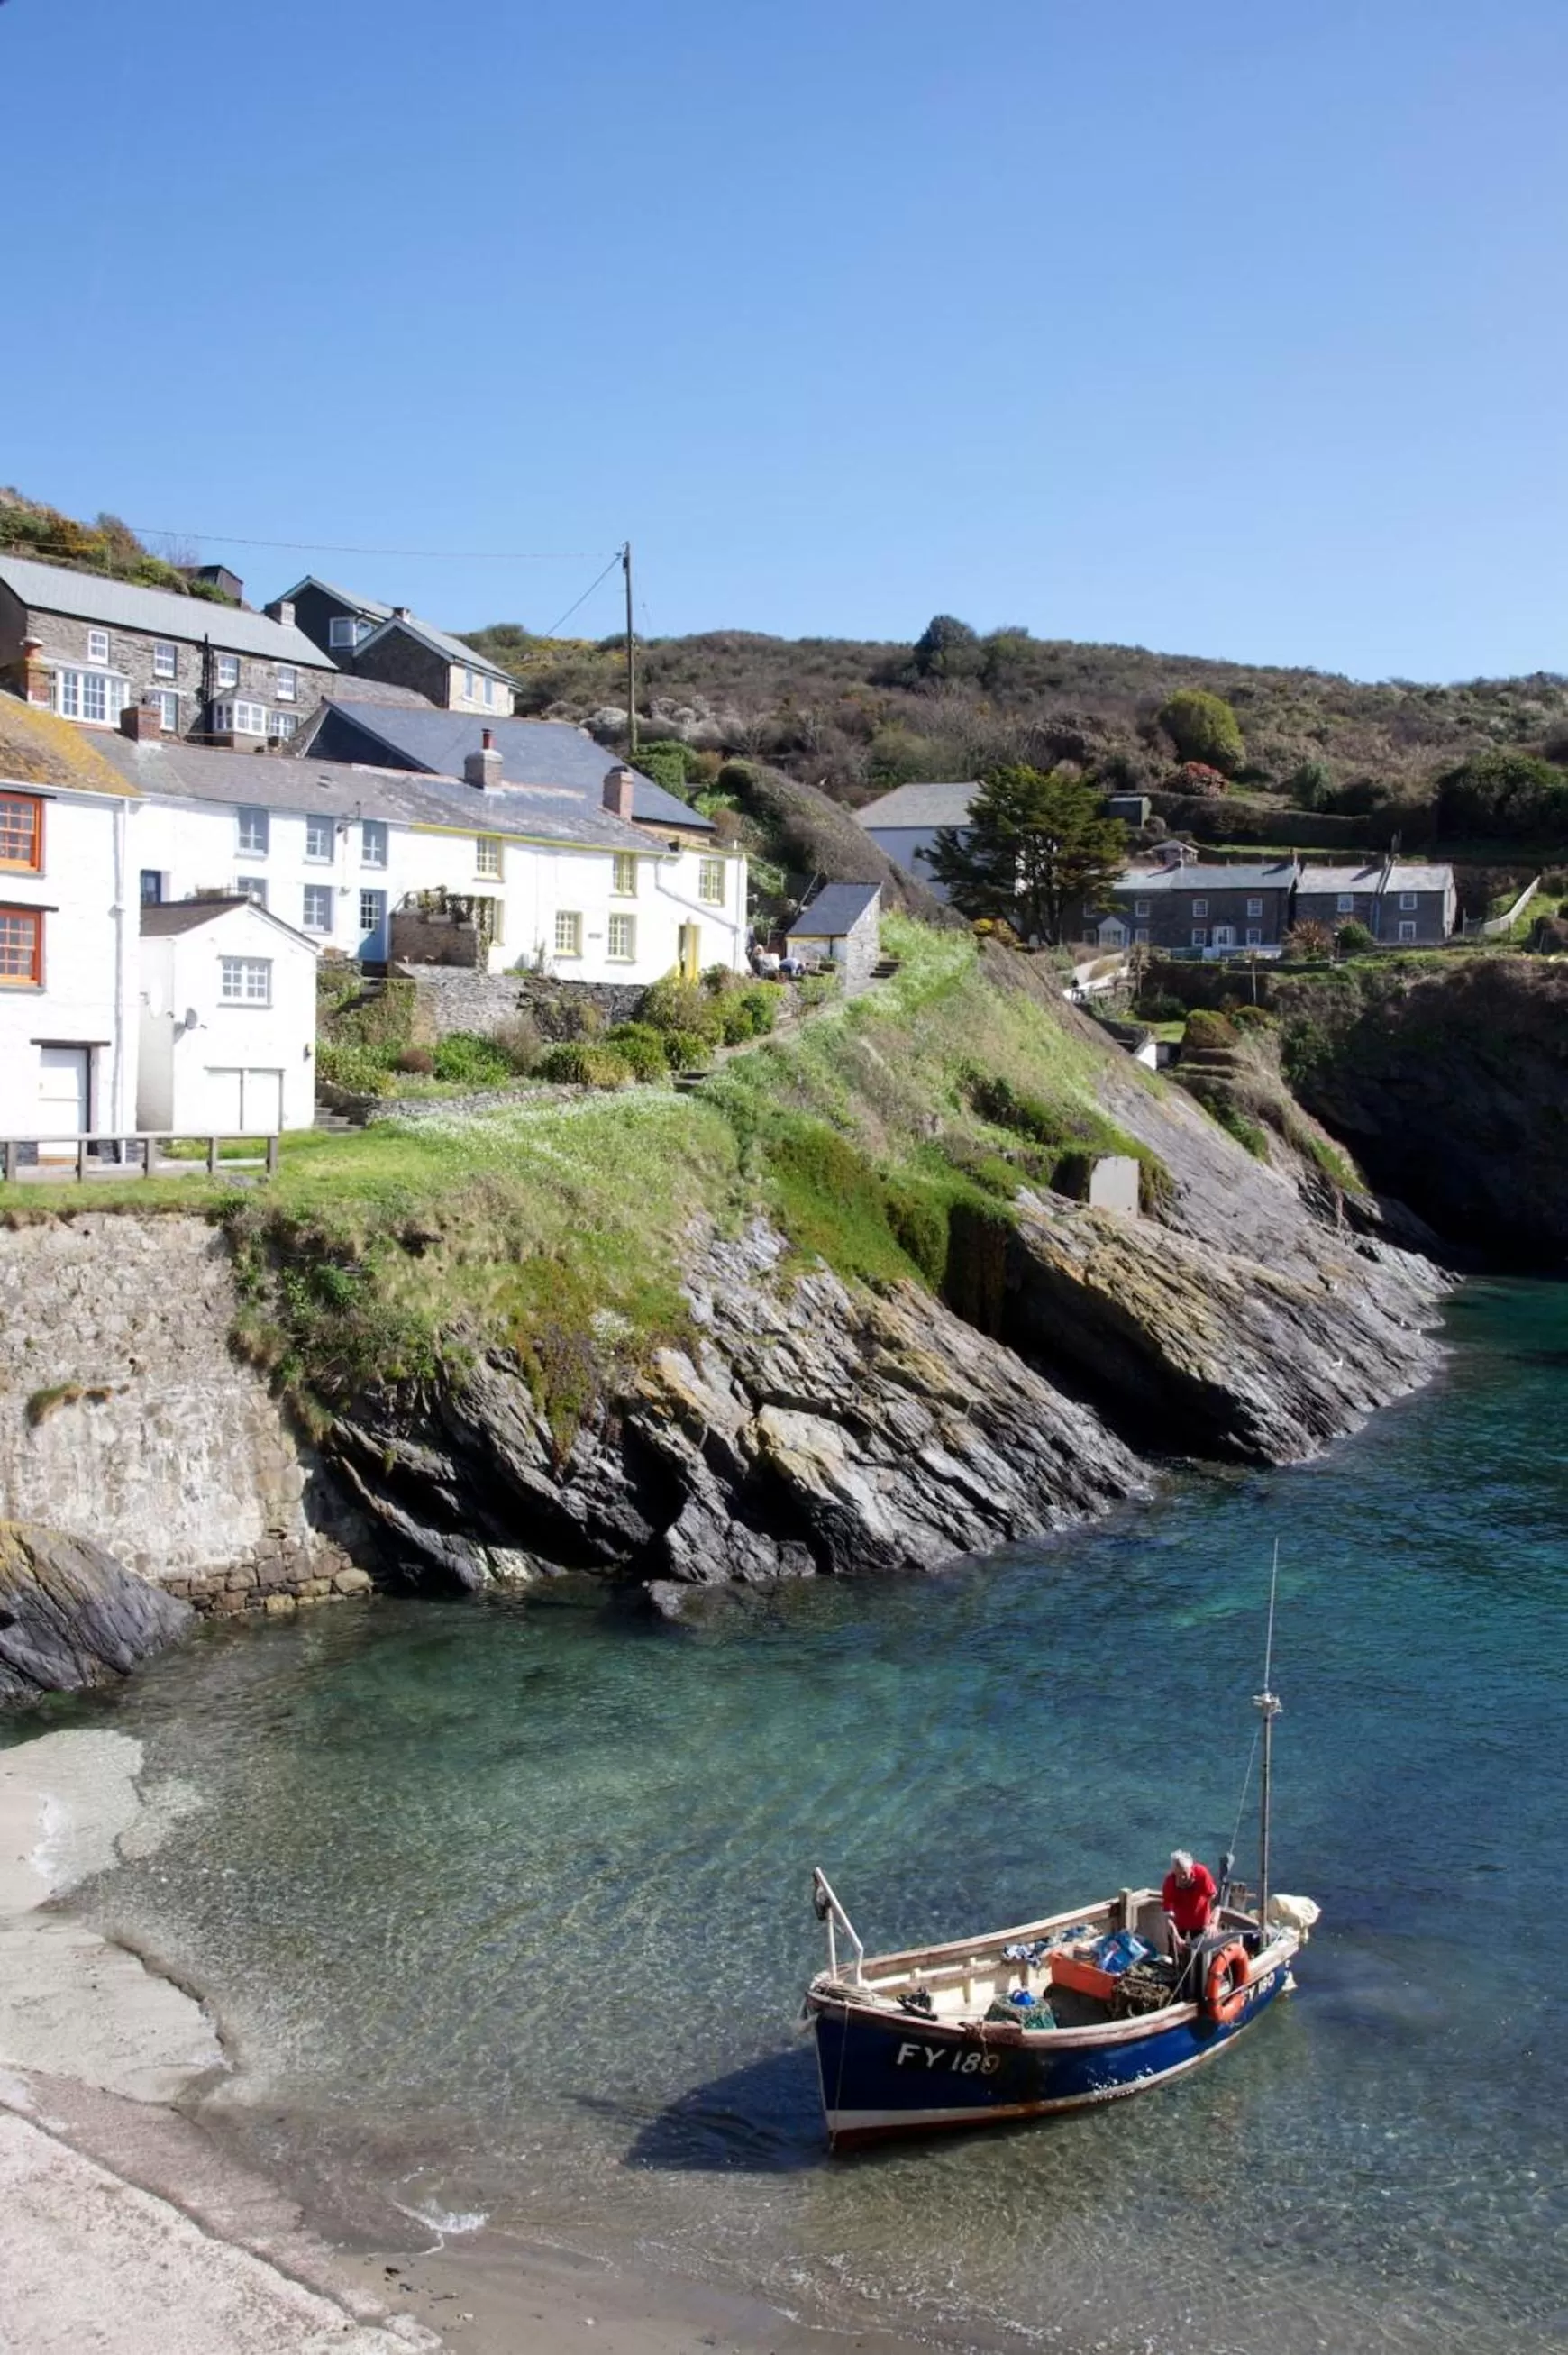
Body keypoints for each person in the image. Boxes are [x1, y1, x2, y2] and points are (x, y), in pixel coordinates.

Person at [1162, 1848, 1217, 1972]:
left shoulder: (1202, 1874)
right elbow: (1168, 1917)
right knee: (1174, 1956)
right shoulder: (1169, 1883)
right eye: (1177, 1874)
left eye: (1184, 1873)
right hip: (1179, 1924)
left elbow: (1215, 1901)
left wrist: (1213, 1923)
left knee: (1200, 1958)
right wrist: (1176, 1936)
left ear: (1191, 1869)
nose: (1181, 1877)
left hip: (1200, 1922)